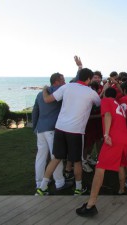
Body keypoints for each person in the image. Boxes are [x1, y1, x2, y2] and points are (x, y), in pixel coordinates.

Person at [35, 68, 101, 196]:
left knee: (56, 158)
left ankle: (42, 188)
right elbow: (98, 104)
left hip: (60, 128)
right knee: (77, 161)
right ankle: (78, 188)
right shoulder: (91, 92)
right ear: (88, 79)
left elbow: (48, 99)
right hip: (76, 131)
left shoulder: (67, 87)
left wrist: (44, 90)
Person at [76, 87, 127, 217]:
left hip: (114, 138)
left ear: (105, 94)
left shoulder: (106, 101)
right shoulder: (118, 104)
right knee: (121, 164)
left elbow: (107, 115)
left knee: (100, 169)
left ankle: (90, 204)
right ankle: (122, 189)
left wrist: (106, 134)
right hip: (125, 138)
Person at [32, 73, 73, 191]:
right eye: (63, 80)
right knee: (56, 156)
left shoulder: (40, 94)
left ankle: (39, 182)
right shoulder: (59, 92)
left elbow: (35, 112)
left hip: (40, 129)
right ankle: (59, 182)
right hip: (52, 130)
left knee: (40, 156)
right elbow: (75, 82)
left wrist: (35, 128)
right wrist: (80, 68)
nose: (65, 83)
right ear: (57, 82)